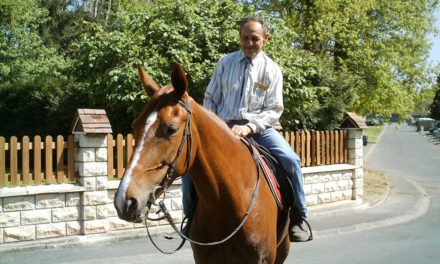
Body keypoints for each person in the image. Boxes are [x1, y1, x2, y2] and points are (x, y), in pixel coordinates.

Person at [182, 16, 310, 242]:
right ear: (239, 38)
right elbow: (211, 98)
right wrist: (216, 126)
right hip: (223, 128)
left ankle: (299, 217)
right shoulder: (224, 63)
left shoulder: (272, 70)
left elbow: (274, 109)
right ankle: (191, 216)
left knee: (291, 160)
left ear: (265, 39)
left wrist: (249, 127)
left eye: (255, 38)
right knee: (190, 167)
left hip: (260, 130)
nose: (250, 43)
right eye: (245, 38)